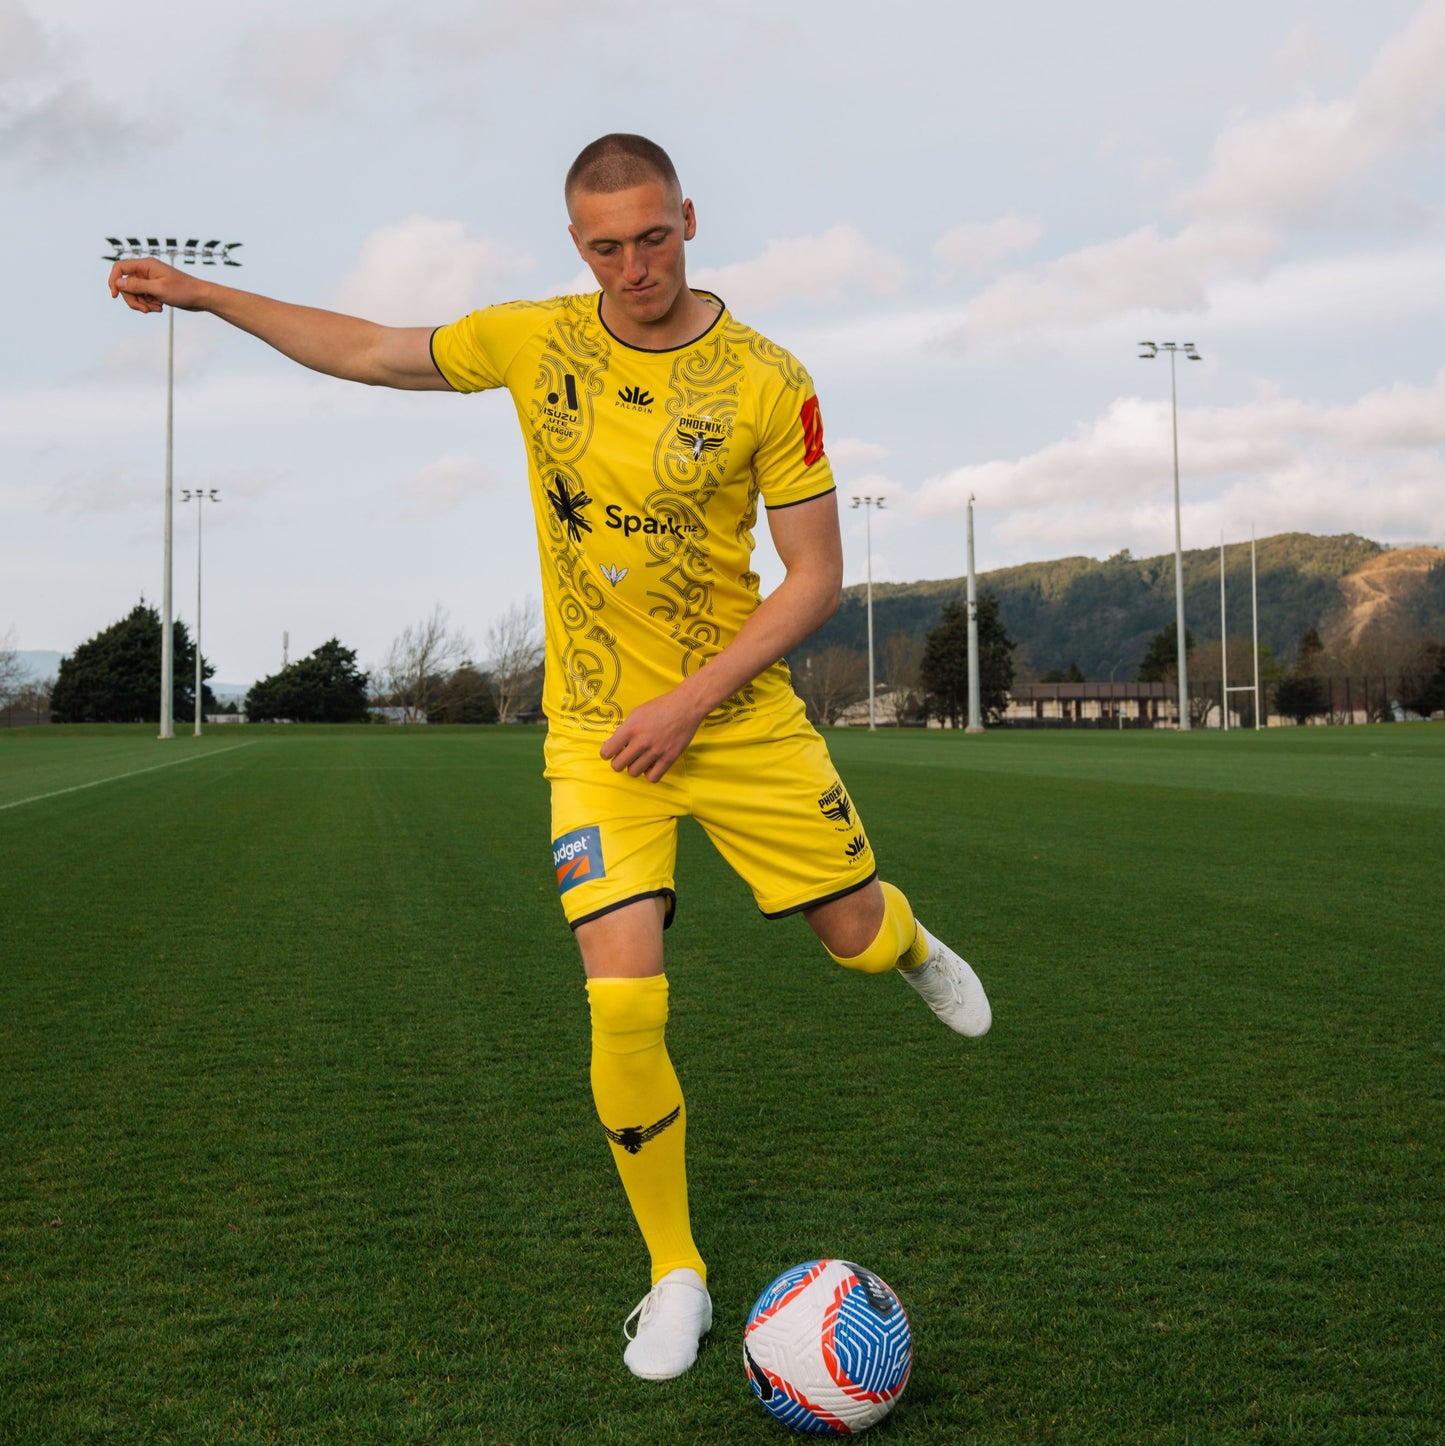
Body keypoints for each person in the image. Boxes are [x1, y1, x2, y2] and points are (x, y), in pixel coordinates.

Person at [108, 133, 991, 1382]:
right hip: (594, 739)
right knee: (623, 997)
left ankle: (908, 943)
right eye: (605, 246)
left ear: (688, 217)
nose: (634, 266)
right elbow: (365, 349)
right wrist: (204, 295)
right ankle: (672, 1271)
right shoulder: (536, 343)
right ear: (575, 247)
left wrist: (689, 702)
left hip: (736, 723)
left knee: (850, 938)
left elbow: (815, 578)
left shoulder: (764, 379)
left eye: (653, 237)